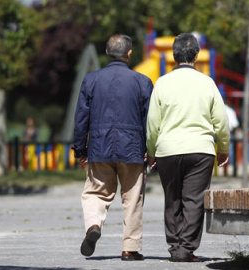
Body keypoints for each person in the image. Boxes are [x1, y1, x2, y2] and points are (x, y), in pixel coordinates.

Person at [146, 33, 230, 262]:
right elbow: (221, 121)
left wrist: (151, 151)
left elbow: (153, 123)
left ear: (173, 57)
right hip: (200, 150)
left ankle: (175, 247)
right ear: (196, 55)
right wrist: (223, 147)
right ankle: (186, 249)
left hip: (168, 150)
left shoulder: (162, 83)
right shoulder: (207, 82)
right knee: (194, 200)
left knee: (172, 199)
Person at [72, 34, 153, 261]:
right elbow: (150, 119)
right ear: (129, 54)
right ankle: (130, 248)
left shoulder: (91, 80)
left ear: (107, 53)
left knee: (95, 192)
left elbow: (81, 117)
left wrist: (80, 149)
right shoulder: (142, 81)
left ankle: (93, 225)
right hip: (133, 148)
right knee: (133, 198)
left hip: (99, 146)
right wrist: (150, 148)